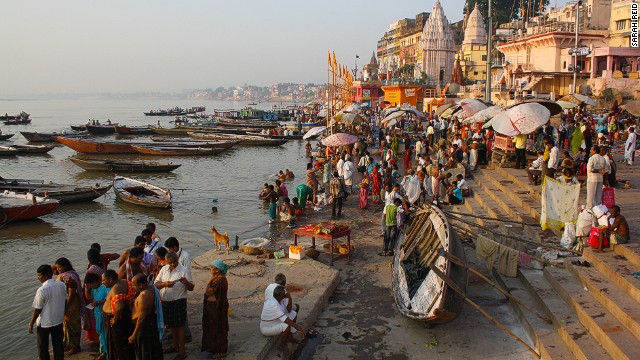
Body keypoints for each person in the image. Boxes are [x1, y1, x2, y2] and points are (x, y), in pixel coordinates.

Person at [154, 251, 194, 359]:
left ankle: (182, 351)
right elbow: (156, 284)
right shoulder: (164, 269)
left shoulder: (183, 270)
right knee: (172, 325)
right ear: (167, 261)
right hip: (166, 302)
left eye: (174, 262)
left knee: (179, 326)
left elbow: (191, 287)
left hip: (178, 301)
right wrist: (165, 284)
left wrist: (185, 282)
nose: (173, 264)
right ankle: (175, 345)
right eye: (170, 262)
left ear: (177, 260)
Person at [30, 264, 66, 360]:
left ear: (45, 276)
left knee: (42, 347)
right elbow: (64, 300)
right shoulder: (61, 285)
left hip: (45, 322)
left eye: (39, 275)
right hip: (58, 319)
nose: (38, 277)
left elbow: (38, 309)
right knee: (58, 345)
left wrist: (31, 323)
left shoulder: (42, 290)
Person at [128, 274, 163, 360]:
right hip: (149, 323)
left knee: (145, 352)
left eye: (134, 285)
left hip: (144, 327)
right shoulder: (150, 288)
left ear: (141, 285)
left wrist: (134, 334)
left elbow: (141, 318)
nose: (132, 287)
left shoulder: (143, 296)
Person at [54, 257, 84, 355]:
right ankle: (69, 344)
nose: (58, 270)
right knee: (66, 324)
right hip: (65, 302)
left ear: (65, 266)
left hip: (72, 303)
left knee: (73, 325)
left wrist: (66, 305)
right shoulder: (67, 274)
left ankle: (76, 346)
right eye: (57, 268)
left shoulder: (69, 277)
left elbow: (71, 294)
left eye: (59, 268)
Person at [103, 269, 135, 360]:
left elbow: (119, 307)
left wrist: (115, 319)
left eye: (103, 280)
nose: (102, 282)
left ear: (110, 279)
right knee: (126, 344)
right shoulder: (124, 281)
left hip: (117, 320)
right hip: (125, 315)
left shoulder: (115, 289)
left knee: (118, 345)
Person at [202, 260, 229, 359]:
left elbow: (208, 292)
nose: (210, 269)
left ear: (217, 270)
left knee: (217, 328)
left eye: (212, 267)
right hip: (212, 307)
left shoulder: (219, 281)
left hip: (216, 308)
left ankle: (220, 350)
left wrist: (210, 282)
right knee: (212, 328)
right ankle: (212, 347)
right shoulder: (219, 279)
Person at [84, 272, 110, 360]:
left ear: (97, 281)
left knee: (104, 334)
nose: (90, 286)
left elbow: (109, 299)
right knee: (100, 334)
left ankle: (105, 353)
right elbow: (89, 297)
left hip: (103, 314)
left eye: (91, 284)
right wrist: (87, 288)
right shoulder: (94, 288)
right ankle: (102, 351)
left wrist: (99, 302)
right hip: (97, 313)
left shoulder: (105, 288)